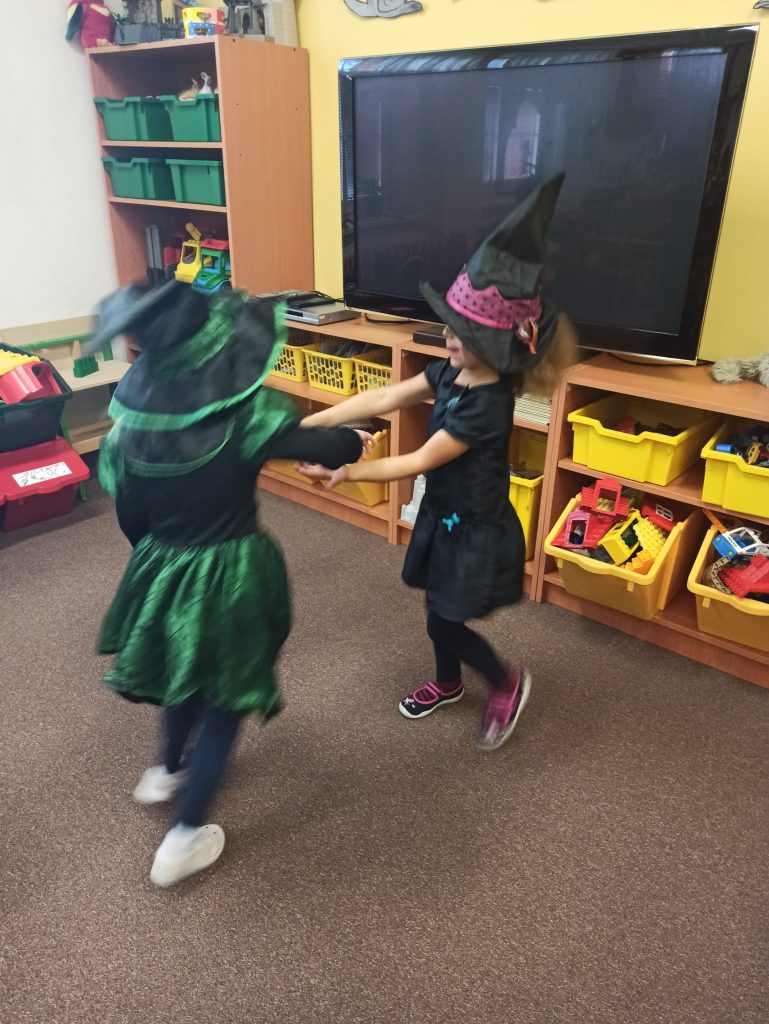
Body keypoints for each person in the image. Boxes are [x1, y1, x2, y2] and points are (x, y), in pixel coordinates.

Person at [85, 282, 367, 887]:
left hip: (163, 565)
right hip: (234, 574)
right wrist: (352, 440)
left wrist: (158, 562)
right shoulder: (245, 415)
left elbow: (130, 514)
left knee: (183, 671)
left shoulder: (127, 430)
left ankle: (167, 770)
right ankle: (183, 838)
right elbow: (318, 442)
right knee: (226, 697)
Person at [299, 175, 576, 751]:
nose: (447, 335)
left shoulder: (487, 406)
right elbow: (383, 396)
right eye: (450, 322)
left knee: (444, 618)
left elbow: (419, 459)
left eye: (461, 331)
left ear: (496, 345)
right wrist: (311, 425)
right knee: (437, 607)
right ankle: (449, 683)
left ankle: (506, 680)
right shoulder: (451, 371)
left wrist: (347, 472)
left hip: (474, 531)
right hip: (444, 515)